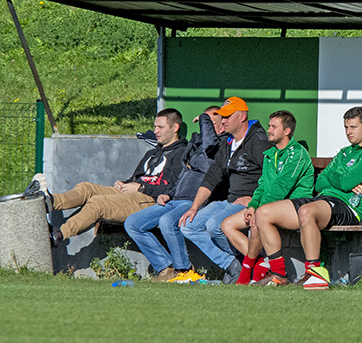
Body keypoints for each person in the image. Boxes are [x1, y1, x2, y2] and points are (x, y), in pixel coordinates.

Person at [255, 106, 362, 290]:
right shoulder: (344, 153)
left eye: (353, 127)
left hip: (348, 207)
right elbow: (320, 183)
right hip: (323, 201)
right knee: (263, 213)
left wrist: (339, 179)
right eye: (346, 127)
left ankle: (314, 273)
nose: (349, 132)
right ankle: (279, 274)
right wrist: (340, 181)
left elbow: (345, 181)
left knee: (307, 211)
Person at [26, 108, 188, 246]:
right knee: (86, 188)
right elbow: (137, 178)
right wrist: (124, 184)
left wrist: (141, 187)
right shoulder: (152, 153)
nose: (155, 131)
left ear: (175, 127)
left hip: (151, 201)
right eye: (155, 127)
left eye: (160, 127)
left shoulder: (181, 154)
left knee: (98, 203)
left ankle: (59, 234)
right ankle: (50, 201)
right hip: (132, 194)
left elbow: (172, 188)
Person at [178, 97, 272, 284]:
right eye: (222, 116)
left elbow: (272, 176)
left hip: (251, 202)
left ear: (243, 116)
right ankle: (233, 264)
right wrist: (194, 207)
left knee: (215, 225)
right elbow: (212, 176)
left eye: (228, 116)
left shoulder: (258, 141)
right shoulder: (228, 142)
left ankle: (260, 265)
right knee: (188, 225)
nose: (223, 121)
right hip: (230, 201)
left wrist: (255, 199)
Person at [124, 107, 224, 281]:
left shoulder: (220, 146)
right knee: (133, 223)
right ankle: (166, 267)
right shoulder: (197, 145)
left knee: (167, 222)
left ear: (222, 125)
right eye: (205, 122)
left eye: (210, 123)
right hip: (175, 200)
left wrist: (204, 118)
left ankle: (184, 270)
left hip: (194, 202)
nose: (204, 126)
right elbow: (183, 175)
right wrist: (169, 193)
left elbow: (211, 143)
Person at [220, 110, 314, 285]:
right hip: (269, 207)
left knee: (258, 223)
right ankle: (261, 265)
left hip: (295, 206)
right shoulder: (270, 154)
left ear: (286, 131)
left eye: (273, 127)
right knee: (227, 224)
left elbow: (281, 187)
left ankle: (265, 273)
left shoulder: (297, 153)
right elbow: (262, 185)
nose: (269, 130)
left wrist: (259, 210)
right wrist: (253, 206)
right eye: (269, 126)